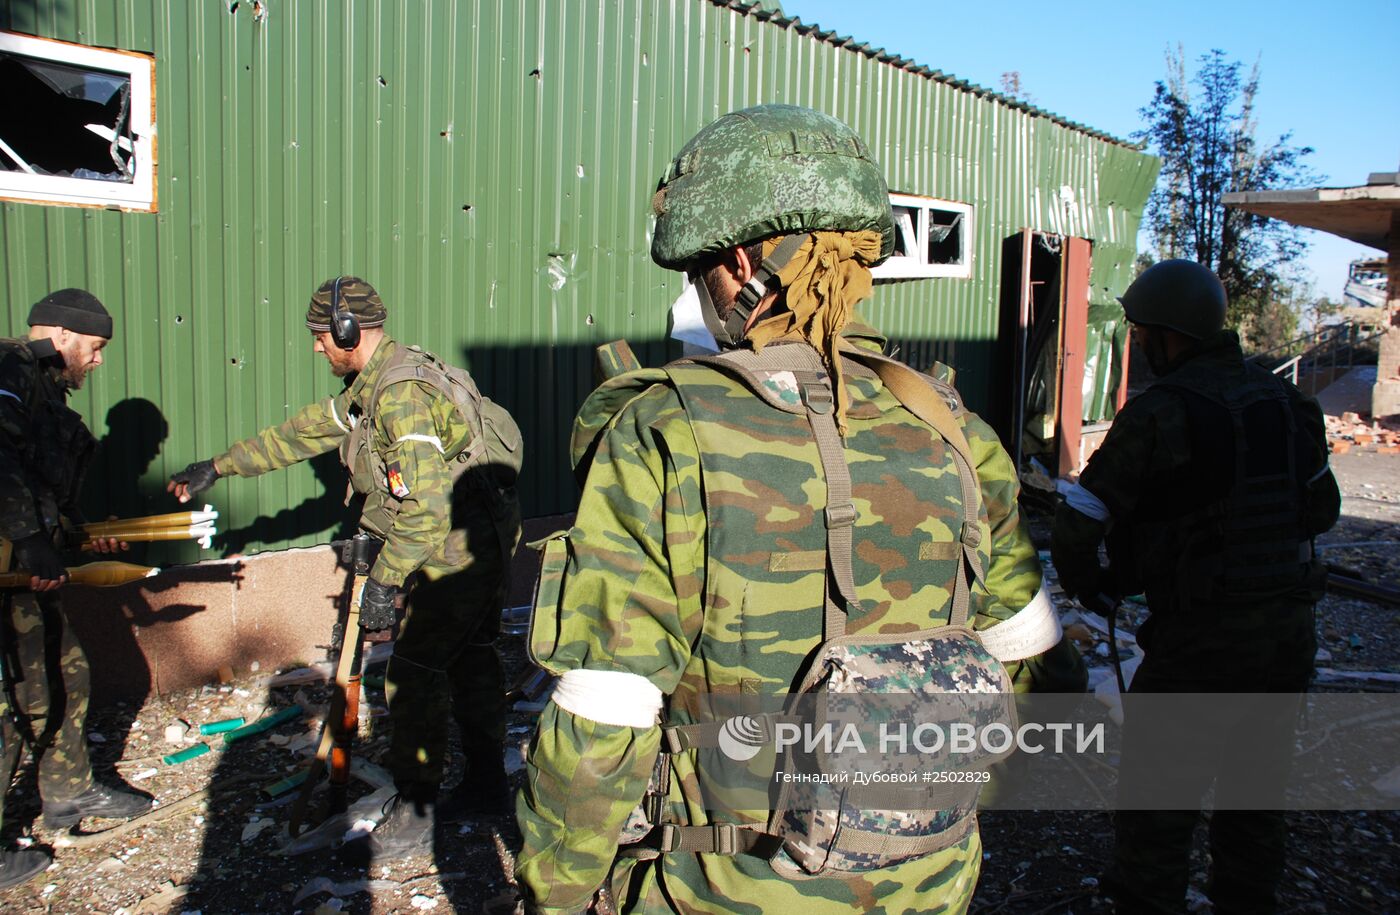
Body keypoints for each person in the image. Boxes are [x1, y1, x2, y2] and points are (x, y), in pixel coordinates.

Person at [515, 104, 1063, 914]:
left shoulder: (665, 430)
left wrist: (552, 893)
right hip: (932, 884)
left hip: (731, 891)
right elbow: (1028, 657)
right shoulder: (952, 425)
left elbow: (604, 716)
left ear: (738, 262)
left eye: (699, 273)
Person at [168, 277, 522, 860]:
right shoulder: (372, 386)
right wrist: (218, 465)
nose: (316, 349)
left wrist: (385, 581)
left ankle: (418, 806)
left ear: (346, 330)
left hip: (458, 546)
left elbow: (427, 509)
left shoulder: (398, 395)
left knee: (412, 672)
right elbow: (303, 432)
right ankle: (486, 786)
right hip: (475, 534)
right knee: (470, 659)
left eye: (319, 336)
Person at [1050, 259, 1341, 914]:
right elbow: (1321, 509)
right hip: (1286, 638)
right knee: (1256, 796)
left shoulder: (1160, 413)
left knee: (1158, 803)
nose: (1140, 345)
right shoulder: (1289, 402)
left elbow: (1078, 522)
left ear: (1165, 335)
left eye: (1141, 332)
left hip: (1201, 642)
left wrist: (1094, 590)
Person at [0, 289, 150, 889]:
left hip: (27, 565)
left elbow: (39, 484)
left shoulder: (47, 397)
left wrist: (76, 536)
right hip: (9, 562)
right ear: (61, 335)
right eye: (95, 347)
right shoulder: (11, 367)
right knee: (11, 703)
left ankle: (68, 790)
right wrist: (27, 537)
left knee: (66, 673)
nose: (98, 360)